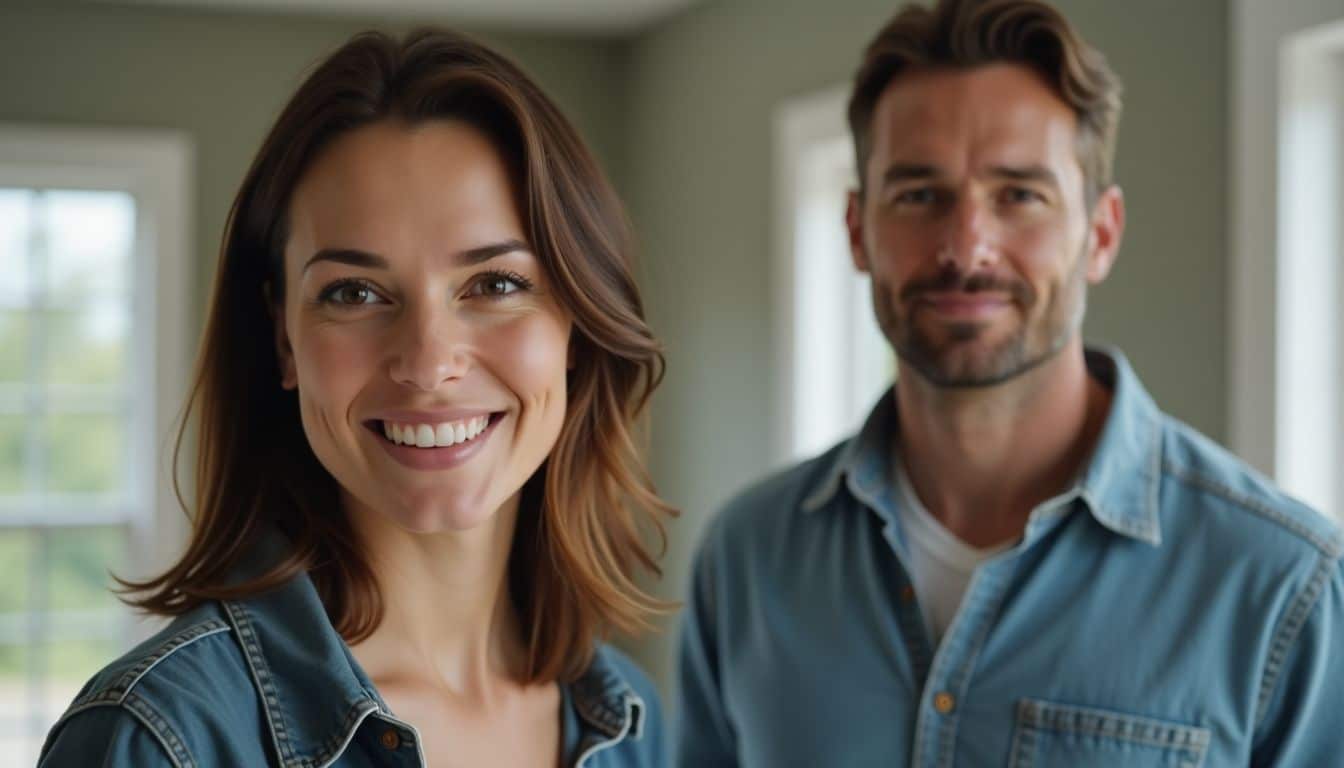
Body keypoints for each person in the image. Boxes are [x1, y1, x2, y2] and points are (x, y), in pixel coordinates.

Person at [675, 1, 1344, 765]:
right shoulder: (749, 562)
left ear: (1100, 233)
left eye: (1019, 195)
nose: (967, 247)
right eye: (920, 195)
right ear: (858, 230)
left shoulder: (1279, 584)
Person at [40, 28, 673, 768]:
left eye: (496, 284)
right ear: (284, 339)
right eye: (355, 292)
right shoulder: (157, 738)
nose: (429, 362)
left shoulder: (632, 724)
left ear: (576, 323)